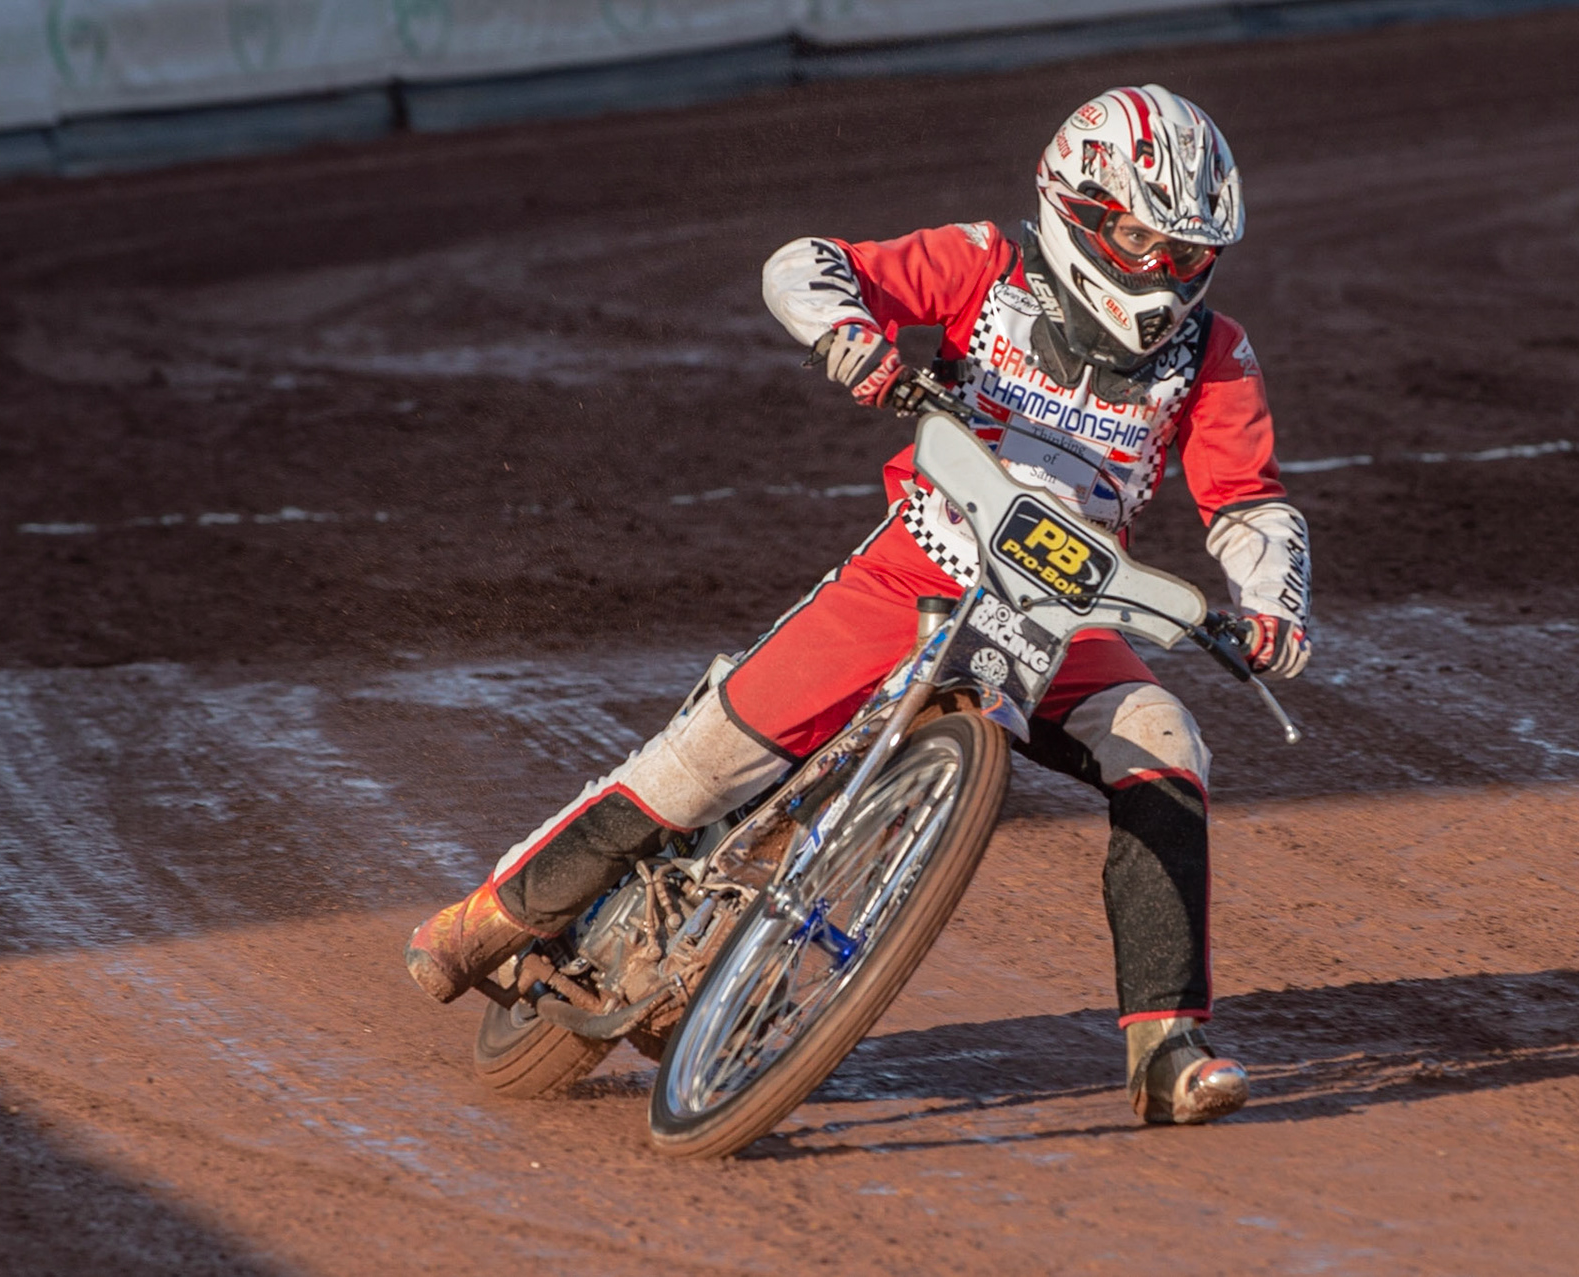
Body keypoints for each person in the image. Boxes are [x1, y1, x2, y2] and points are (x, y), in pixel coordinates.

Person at [405, 84, 1312, 1126]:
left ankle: (1166, 1047)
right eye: (1149, 240)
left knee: (1166, 737)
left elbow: (1250, 498)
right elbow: (807, 262)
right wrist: (849, 334)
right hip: (918, 567)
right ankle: (487, 918)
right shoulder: (987, 264)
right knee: (700, 762)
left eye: (1189, 253)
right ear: (1082, 206)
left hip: (1072, 619)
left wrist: (1271, 606)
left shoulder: (1213, 353)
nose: (1167, 271)